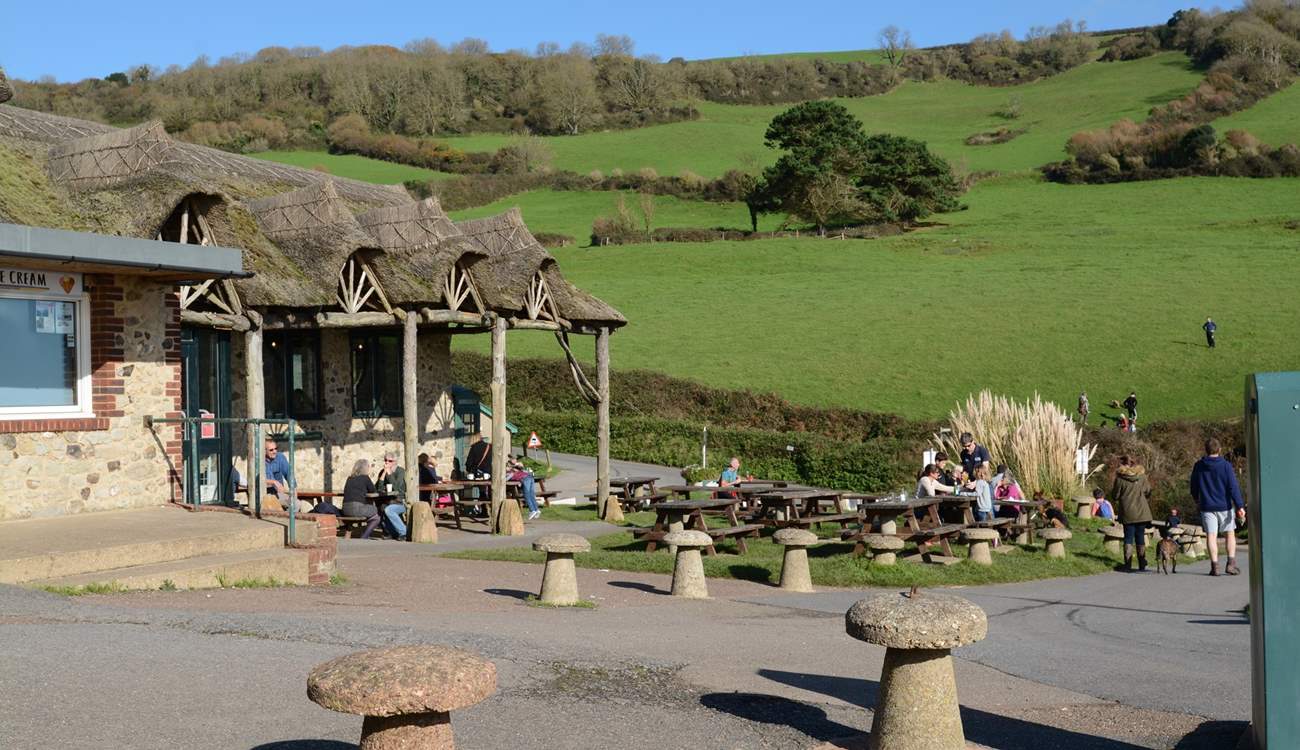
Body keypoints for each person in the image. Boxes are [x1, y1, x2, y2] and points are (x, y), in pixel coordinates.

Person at [1190, 437, 1245, 576]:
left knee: (1211, 536)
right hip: (1224, 506)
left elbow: (1194, 487)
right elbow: (1233, 487)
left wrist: (1197, 499)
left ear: (1206, 450)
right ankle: (1231, 564)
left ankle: (1215, 566)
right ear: (1219, 450)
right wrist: (1239, 506)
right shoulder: (1226, 466)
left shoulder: (1199, 466)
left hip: (1207, 506)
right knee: (1229, 534)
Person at [1112, 454, 1153, 572]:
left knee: (1128, 538)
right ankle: (1142, 563)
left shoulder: (1120, 479)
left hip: (1127, 512)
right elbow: (1148, 491)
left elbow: (1115, 496)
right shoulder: (1142, 477)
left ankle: (1128, 564)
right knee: (1140, 537)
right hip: (1142, 512)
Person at [341, 459, 382, 539]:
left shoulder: (349, 478)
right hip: (357, 509)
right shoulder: (365, 478)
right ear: (365, 468)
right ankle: (364, 536)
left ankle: (348, 533)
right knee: (377, 515)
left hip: (345, 509)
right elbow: (373, 490)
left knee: (359, 510)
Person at [376, 452, 408, 541]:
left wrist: (389, 474)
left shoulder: (400, 471)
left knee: (389, 510)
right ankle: (391, 532)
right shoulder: (383, 471)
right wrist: (383, 474)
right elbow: (378, 488)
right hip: (388, 500)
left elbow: (396, 488)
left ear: (395, 462)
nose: (387, 462)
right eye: (385, 460)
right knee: (381, 508)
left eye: (390, 461)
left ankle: (404, 532)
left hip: (401, 501)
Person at [507, 455, 542, 520]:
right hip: (530, 477)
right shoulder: (516, 468)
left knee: (527, 495)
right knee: (531, 495)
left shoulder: (512, 470)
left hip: (526, 479)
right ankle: (537, 510)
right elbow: (523, 470)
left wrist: (504, 478)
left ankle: (532, 510)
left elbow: (509, 477)